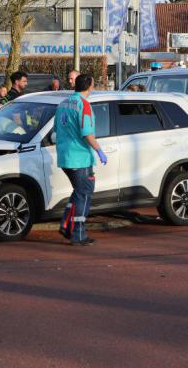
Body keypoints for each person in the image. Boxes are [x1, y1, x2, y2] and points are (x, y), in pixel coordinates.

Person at [54, 74, 108, 246]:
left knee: (78, 192)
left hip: (64, 155)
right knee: (84, 194)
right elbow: (87, 133)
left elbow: (56, 130)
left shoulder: (63, 103)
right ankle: (78, 233)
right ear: (89, 86)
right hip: (80, 157)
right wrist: (99, 151)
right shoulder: (83, 105)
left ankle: (66, 224)